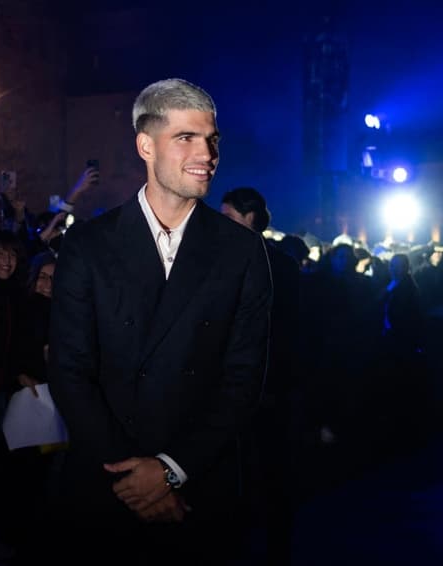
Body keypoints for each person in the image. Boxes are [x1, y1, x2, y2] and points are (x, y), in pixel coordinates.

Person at [48, 78, 272, 564]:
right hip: (105, 485)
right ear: (145, 145)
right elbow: (70, 371)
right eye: (186, 138)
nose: (207, 153)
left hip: (199, 483)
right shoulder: (87, 245)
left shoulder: (242, 250)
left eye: (212, 139)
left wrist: (171, 469)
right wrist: (135, 479)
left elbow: (244, 378)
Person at [220, 187, 300, 565]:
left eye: (230, 216)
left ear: (250, 220)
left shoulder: (278, 266)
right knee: (242, 473)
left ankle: (269, 545)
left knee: (267, 472)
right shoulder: (220, 261)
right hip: (238, 386)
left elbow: (290, 330)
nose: (222, 224)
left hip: (266, 386)